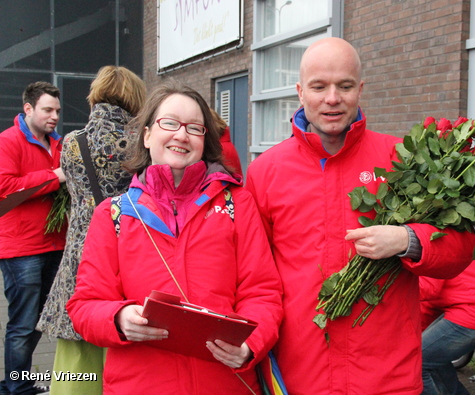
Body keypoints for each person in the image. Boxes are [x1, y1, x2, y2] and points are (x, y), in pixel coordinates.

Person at [245, 37, 475, 394]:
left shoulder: (400, 158)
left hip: (386, 374)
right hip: (301, 372)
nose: (332, 98)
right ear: (300, 92)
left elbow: (460, 247)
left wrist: (409, 240)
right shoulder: (266, 171)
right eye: (319, 87)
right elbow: (253, 277)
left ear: (361, 88)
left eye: (345, 86)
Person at [66, 82, 283, 394]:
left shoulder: (237, 204)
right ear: (147, 134)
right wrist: (117, 318)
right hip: (140, 385)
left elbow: (263, 293)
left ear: (204, 140)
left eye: (194, 128)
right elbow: (84, 305)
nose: (181, 135)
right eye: (169, 123)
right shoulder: (112, 215)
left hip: (223, 383)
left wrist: (251, 344)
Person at [36, 66, 146, 395]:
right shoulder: (141, 141)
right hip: (126, 248)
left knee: (77, 356)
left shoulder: (71, 142)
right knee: (127, 341)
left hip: (79, 256)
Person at [0, 82, 67, 395]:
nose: (54, 116)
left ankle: (20, 382)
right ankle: (15, 387)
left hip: (54, 243)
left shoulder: (58, 144)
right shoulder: (8, 141)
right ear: (28, 109)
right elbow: (7, 189)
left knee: (38, 321)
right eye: (47, 110)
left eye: (56, 110)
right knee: (23, 323)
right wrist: (55, 178)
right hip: (21, 247)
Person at [420, 255, 475, 395]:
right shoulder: (455, 235)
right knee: (435, 361)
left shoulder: (430, 245)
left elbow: (427, 289)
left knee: (416, 363)